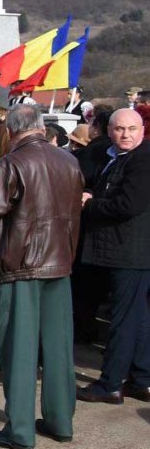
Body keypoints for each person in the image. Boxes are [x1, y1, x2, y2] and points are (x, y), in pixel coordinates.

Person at [0, 104, 84, 449]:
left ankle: (19, 429)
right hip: (60, 261)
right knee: (58, 347)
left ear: (12, 129)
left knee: (19, 348)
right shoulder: (69, 161)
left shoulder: (9, 164)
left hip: (20, 264)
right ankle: (60, 420)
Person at [77, 109, 150, 404]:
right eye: (120, 129)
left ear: (142, 130)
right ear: (109, 131)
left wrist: (91, 204)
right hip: (122, 249)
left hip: (131, 250)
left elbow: (128, 205)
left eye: (132, 129)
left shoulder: (143, 159)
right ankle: (141, 378)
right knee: (137, 316)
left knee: (124, 319)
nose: (126, 134)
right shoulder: (112, 156)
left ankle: (111, 384)